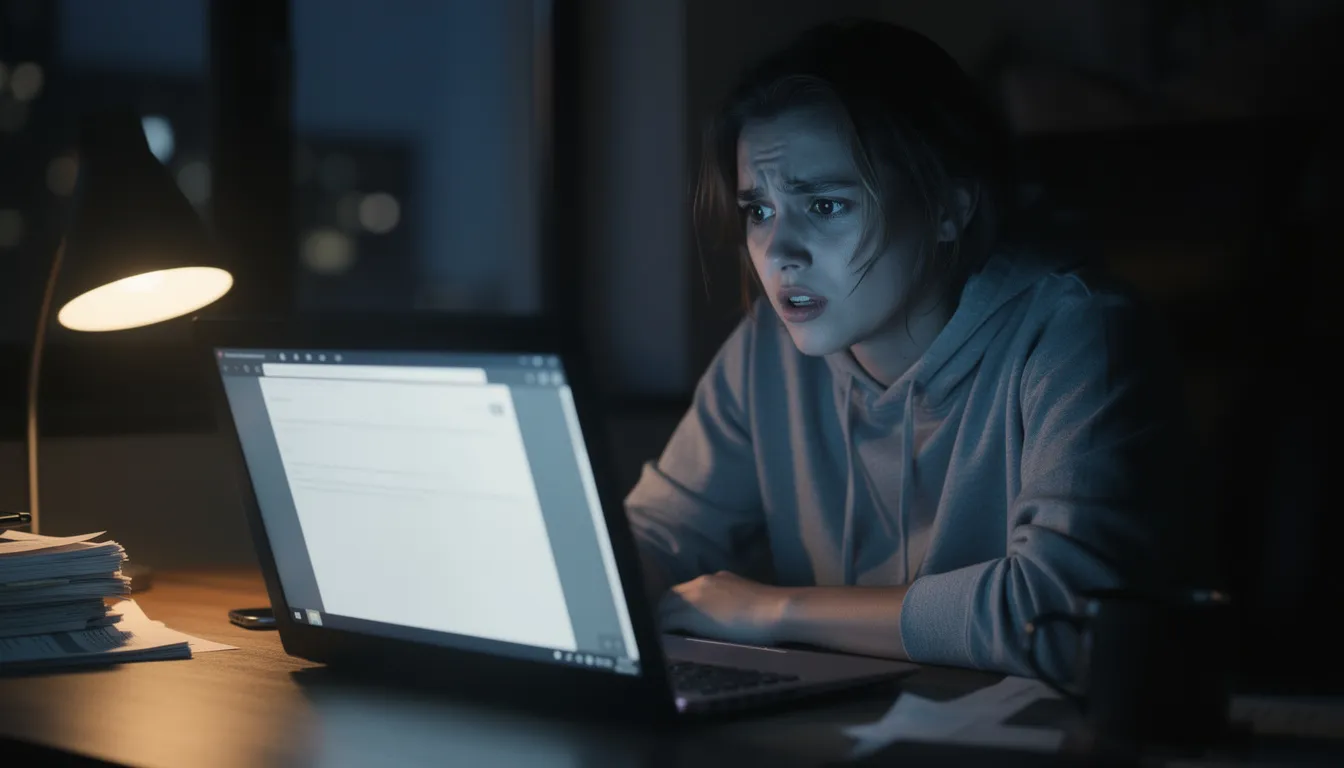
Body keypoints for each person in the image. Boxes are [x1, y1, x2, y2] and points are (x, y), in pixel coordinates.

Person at [624, 19, 1196, 680]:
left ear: (950, 205)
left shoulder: (1074, 334)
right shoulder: (767, 352)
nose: (778, 253)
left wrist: (776, 610)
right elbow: (661, 533)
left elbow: (1061, 614)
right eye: (759, 210)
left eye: (828, 205)